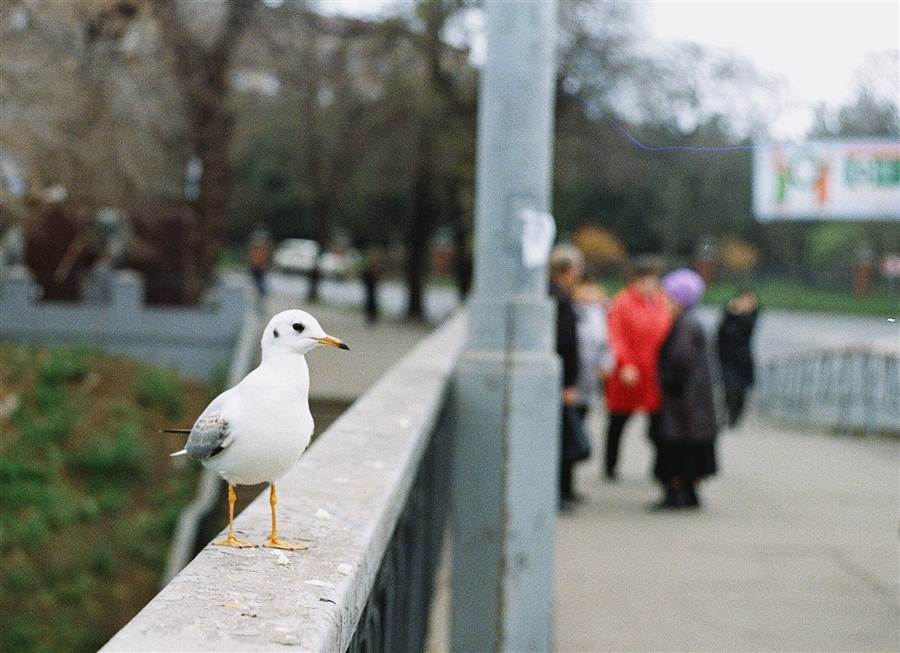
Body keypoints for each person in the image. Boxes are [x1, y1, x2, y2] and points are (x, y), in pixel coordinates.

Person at [602, 256, 673, 481]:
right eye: (643, 281)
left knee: (658, 422)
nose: (648, 286)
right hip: (629, 372)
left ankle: (659, 466)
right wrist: (625, 364)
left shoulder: (662, 302)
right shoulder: (622, 303)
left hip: (655, 372)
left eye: (652, 280)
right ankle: (610, 465)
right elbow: (616, 335)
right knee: (618, 420)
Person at [654, 268, 719, 509]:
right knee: (691, 452)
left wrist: (661, 379)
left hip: (682, 404)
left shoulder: (683, 326)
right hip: (695, 405)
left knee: (676, 450)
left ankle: (676, 493)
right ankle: (690, 493)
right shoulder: (694, 323)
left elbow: (679, 362)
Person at [549, 245, 583, 510]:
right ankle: (561, 492)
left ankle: (565, 490)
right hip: (561, 383)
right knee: (562, 439)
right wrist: (569, 383)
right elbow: (566, 345)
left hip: (558, 380)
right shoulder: (560, 300)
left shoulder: (553, 296)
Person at [717, 288, 759, 427]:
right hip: (728, 358)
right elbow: (721, 332)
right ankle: (728, 417)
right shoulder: (729, 315)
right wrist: (730, 312)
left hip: (743, 360)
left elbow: (746, 328)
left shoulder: (752, 316)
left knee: (741, 390)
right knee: (729, 387)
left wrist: (737, 313)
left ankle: (735, 418)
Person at [571, 280, 612, 421]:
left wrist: (606, 363)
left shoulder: (600, 313)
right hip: (575, 371)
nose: (588, 294)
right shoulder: (572, 311)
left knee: (584, 412)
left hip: (592, 374)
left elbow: (606, 341)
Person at [248, 230, 272, 312]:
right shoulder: (256, 248)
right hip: (255, 267)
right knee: (256, 286)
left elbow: (265, 258)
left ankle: (259, 304)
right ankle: (257, 304)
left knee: (261, 287)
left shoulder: (262, 248)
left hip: (260, 268)